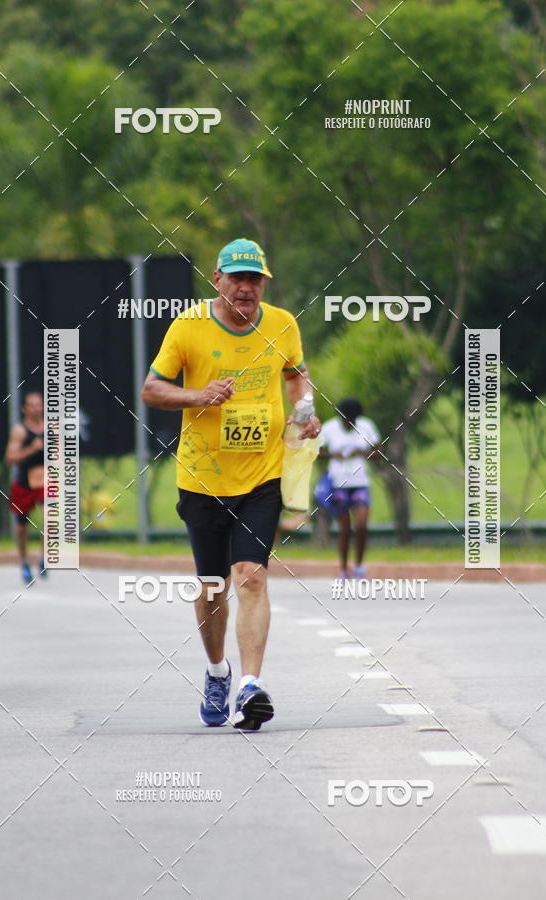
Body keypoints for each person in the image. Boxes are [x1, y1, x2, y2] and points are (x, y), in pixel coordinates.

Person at [141, 238, 320, 731]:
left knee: (252, 575)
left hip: (262, 475)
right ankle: (217, 670)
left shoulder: (282, 323)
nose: (246, 288)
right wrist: (200, 395)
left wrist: (305, 412)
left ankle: (249, 687)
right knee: (213, 585)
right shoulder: (189, 326)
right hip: (202, 478)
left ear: (264, 283)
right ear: (217, 280)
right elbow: (151, 389)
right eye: (237, 279)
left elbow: (297, 376)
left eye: (254, 279)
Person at [319, 398, 380, 579]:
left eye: (352, 420)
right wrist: (332, 454)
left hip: (360, 483)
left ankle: (359, 565)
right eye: (346, 419)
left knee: (361, 525)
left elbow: (379, 452)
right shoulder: (329, 428)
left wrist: (361, 453)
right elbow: (316, 451)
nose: (349, 423)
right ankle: (344, 568)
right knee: (345, 529)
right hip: (338, 484)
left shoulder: (366, 426)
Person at [5, 391, 46, 585]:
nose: (37, 408)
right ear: (24, 409)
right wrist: (32, 448)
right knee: (22, 527)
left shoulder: (51, 429)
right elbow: (10, 458)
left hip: (45, 481)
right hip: (23, 483)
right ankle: (24, 562)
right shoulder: (20, 431)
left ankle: (43, 557)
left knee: (50, 516)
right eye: (32, 405)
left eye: (39, 404)